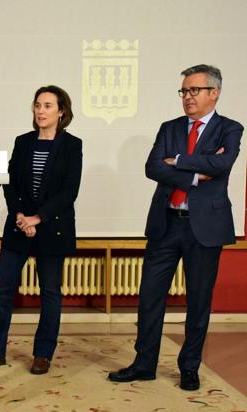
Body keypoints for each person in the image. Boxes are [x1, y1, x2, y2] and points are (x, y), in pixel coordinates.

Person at [108, 64, 243, 391]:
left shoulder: (230, 128)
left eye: (194, 90)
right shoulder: (169, 127)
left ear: (214, 93)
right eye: (183, 91)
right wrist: (197, 172)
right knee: (150, 297)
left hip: (205, 227)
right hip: (166, 223)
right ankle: (144, 364)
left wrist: (178, 161)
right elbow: (152, 167)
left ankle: (189, 367)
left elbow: (223, 164)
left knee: (198, 300)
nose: (187, 97)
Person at [0, 85, 82, 375]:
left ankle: (43, 354)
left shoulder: (72, 145)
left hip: (51, 228)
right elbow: (10, 182)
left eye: (48, 106)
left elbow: (69, 192)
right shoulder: (23, 141)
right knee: (3, 291)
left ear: (61, 111)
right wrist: (20, 216)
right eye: (37, 105)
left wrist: (36, 219)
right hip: (18, 226)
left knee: (50, 292)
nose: (41, 111)